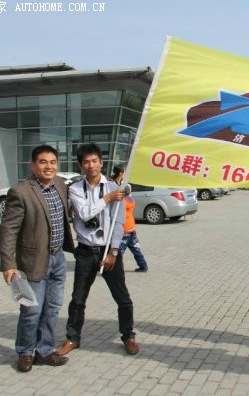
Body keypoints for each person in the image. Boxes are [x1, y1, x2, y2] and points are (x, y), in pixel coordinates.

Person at [56, 143, 139, 356]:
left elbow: (118, 222)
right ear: (80, 165)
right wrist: (107, 198)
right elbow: (84, 213)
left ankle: (128, 335)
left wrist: (113, 252)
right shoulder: (75, 189)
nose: (91, 165)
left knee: (122, 297)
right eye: (86, 162)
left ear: (101, 163)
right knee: (78, 299)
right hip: (85, 250)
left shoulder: (113, 187)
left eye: (95, 161)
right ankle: (72, 338)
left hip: (108, 250)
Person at [0, 145, 75, 373]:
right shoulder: (20, 192)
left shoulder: (60, 185)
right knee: (31, 310)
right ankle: (24, 352)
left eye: (52, 162)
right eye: (43, 162)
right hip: (33, 261)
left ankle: (44, 351)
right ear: (33, 165)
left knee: (52, 309)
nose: (49, 166)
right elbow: (8, 230)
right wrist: (9, 264)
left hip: (58, 259)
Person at [110, 164, 149, 272]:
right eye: (125, 172)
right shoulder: (131, 200)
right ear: (121, 173)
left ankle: (116, 269)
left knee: (119, 250)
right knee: (136, 248)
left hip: (124, 229)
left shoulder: (123, 201)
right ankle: (143, 265)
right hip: (131, 228)